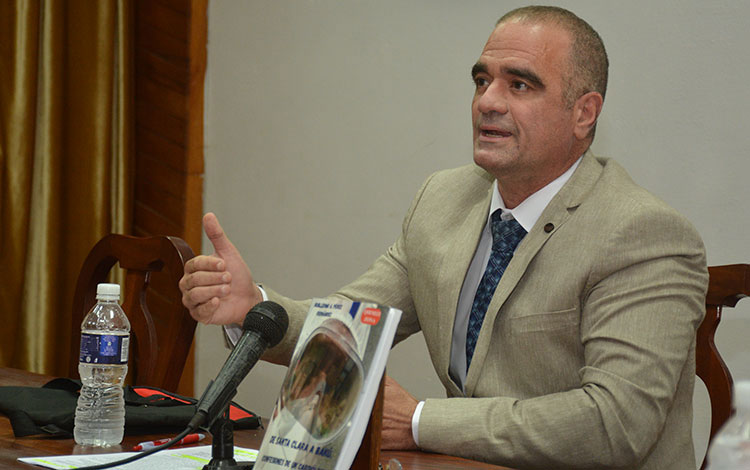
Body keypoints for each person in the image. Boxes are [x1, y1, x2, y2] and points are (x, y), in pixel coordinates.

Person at [180, 6, 708, 469]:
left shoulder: (642, 233)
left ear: (584, 113)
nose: (488, 102)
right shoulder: (443, 200)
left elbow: (615, 424)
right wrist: (255, 308)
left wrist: (420, 421)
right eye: (482, 81)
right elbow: (349, 327)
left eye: (519, 84)